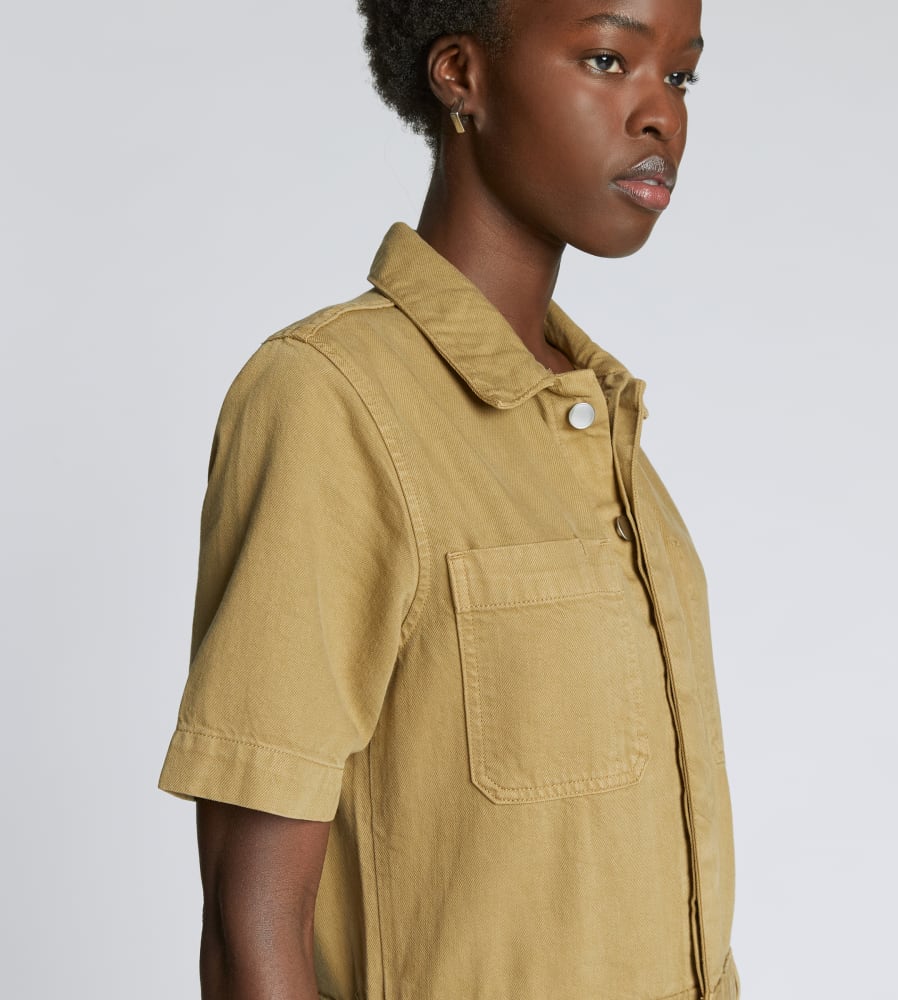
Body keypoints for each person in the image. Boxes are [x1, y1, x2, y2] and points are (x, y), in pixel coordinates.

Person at [159, 0, 738, 997]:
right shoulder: (333, 401)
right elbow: (252, 929)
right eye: (610, 60)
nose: (661, 115)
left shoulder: (602, 432)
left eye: (680, 75)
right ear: (461, 74)